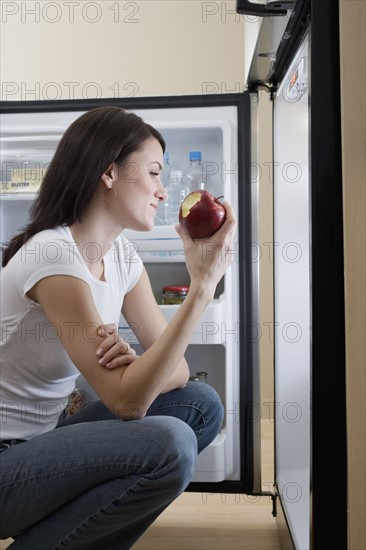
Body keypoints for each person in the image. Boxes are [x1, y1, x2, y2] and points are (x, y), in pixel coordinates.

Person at [0, 106, 237, 549]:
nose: (163, 192)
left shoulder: (122, 256)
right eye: (153, 172)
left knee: (200, 405)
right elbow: (129, 402)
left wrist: (140, 369)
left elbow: (178, 375)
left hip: (41, 445)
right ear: (109, 173)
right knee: (170, 442)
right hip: (6, 463)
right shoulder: (53, 253)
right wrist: (202, 287)